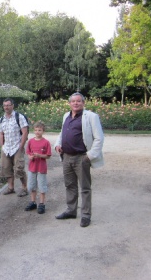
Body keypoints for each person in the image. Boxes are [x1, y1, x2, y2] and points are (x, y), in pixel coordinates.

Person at [54, 92, 104, 227]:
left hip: (81, 157)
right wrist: (58, 144)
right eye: (73, 101)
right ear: (69, 103)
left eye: (78, 101)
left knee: (85, 188)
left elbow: (99, 138)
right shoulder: (66, 116)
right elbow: (62, 133)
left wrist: (90, 156)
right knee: (70, 185)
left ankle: (86, 215)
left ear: (83, 103)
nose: (76, 103)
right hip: (66, 157)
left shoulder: (91, 117)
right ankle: (71, 210)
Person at [0, 98, 28, 197]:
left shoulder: (19, 117)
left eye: (8, 105)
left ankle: (24, 188)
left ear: (12, 106)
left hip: (17, 147)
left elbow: (25, 132)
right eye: (5, 105)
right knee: (6, 168)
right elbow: (1, 134)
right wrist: (2, 146)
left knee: (19, 168)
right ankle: (11, 188)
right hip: (6, 148)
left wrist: (21, 146)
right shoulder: (1, 119)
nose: (6, 107)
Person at [25, 121, 51, 214]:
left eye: (39, 130)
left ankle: (42, 203)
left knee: (42, 185)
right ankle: (33, 202)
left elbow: (48, 155)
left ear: (43, 131)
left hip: (41, 168)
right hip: (32, 167)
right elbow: (28, 152)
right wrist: (30, 156)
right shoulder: (31, 141)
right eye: (36, 130)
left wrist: (40, 155)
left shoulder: (46, 142)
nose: (37, 132)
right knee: (32, 185)